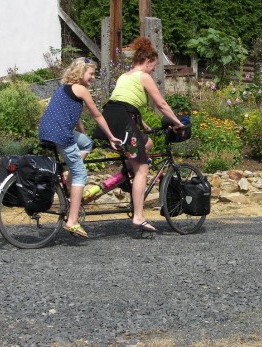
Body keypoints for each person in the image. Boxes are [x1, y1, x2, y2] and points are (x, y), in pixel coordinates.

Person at [95, 37, 184, 232]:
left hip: (110, 117)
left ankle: (124, 175)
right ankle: (138, 217)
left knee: (148, 143)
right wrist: (178, 122)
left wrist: (143, 126)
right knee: (143, 169)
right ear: (148, 61)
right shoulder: (143, 76)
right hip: (123, 121)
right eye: (154, 66)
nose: (153, 70)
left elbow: (125, 103)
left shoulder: (124, 76)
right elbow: (161, 104)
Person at [39, 57, 121, 238]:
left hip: (48, 130)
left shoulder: (64, 88)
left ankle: (70, 177)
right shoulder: (81, 89)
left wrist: (82, 133)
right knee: (81, 174)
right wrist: (111, 136)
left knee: (86, 143)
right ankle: (72, 221)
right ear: (81, 72)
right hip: (61, 133)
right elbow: (97, 115)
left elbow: (72, 115)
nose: (93, 77)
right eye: (91, 73)